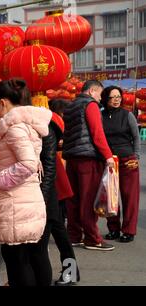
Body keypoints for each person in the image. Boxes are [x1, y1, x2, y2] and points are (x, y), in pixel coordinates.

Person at [0, 79, 52, 286]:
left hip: (17, 202)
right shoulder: (28, 125)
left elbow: (27, 164)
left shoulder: (15, 128)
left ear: (3, 103)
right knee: (31, 258)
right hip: (27, 199)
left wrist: (0, 179)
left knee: (17, 261)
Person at [62, 80, 115, 251]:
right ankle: (92, 238)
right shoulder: (90, 105)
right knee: (88, 199)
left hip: (71, 157)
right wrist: (108, 156)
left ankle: (74, 235)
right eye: (100, 94)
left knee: (74, 200)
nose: (100, 99)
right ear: (92, 91)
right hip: (88, 158)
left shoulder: (70, 106)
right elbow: (97, 134)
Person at [41, 100, 79, 286]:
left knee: (54, 235)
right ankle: (71, 274)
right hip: (55, 185)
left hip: (51, 187)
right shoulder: (50, 121)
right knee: (60, 234)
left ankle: (69, 274)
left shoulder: (47, 123)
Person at [100, 86, 140, 243]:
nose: (116, 100)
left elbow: (136, 137)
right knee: (111, 197)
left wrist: (136, 157)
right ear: (105, 99)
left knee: (130, 197)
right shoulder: (101, 116)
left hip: (128, 160)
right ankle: (114, 229)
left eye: (118, 96)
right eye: (112, 97)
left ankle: (129, 231)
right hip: (110, 161)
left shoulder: (127, 115)